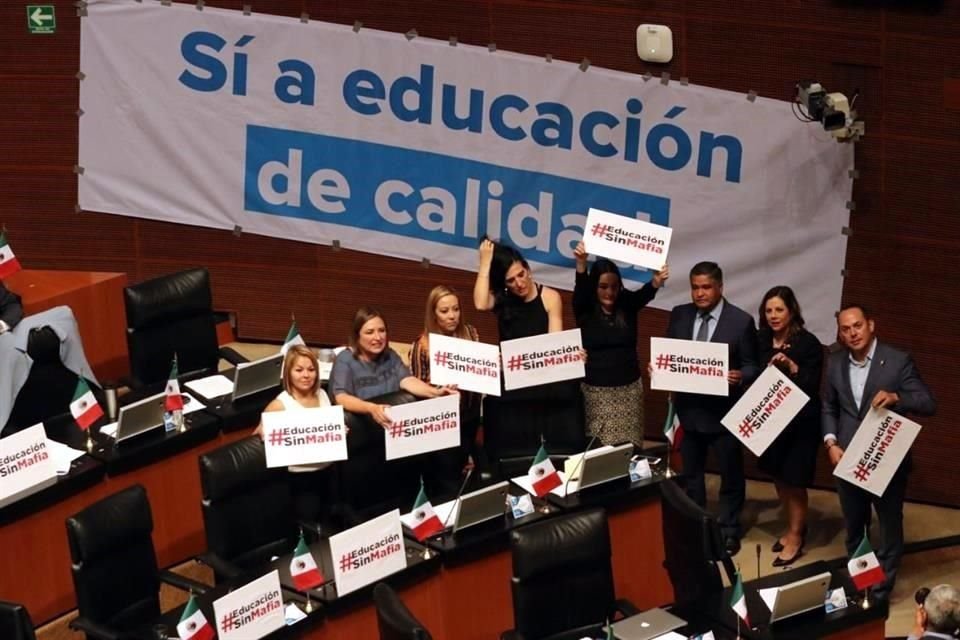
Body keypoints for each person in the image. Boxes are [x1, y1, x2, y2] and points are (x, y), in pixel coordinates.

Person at [823, 304, 937, 602]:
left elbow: (927, 402)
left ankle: (881, 589)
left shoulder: (898, 361)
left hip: (885, 459)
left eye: (857, 326)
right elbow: (829, 406)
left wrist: (897, 396)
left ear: (871, 325)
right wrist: (831, 442)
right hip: (847, 458)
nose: (852, 333)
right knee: (854, 527)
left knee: (888, 526)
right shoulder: (834, 362)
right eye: (845, 329)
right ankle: (862, 581)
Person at [665, 261, 759, 555]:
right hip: (689, 411)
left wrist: (740, 376)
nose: (700, 294)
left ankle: (729, 530)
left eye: (706, 287)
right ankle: (697, 526)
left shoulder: (740, 321)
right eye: (695, 287)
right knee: (691, 475)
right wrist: (661, 366)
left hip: (724, 414)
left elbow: (753, 365)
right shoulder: (680, 315)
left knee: (730, 476)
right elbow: (670, 355)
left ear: (720, 287)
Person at [573, 241, 668, 446]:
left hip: (629, 391)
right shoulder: (585, 308)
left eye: (614, 287)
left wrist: (657, 280)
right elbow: (581, 288)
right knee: (598, 450)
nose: (610, 292)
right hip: (596, 393)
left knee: (628, 449)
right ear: (594, 287)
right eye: (603, 287)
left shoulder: (626, 304)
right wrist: (581, 264)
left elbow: (645, 294)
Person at [755, 286, 823, 567]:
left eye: (779, 310)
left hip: (800, 426)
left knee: (794, 480)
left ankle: (796, 535)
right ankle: (792, 525)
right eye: (768, 310)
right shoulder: (759, 339)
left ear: (792, 311)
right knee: (778, 477)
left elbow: (812, 383)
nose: (773, 316)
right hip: (771, 424)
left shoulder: (808, 343)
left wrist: (793, 368)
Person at [329, 307, 456, 426]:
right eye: (369, 332)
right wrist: (372, 408)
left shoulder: (390, 355)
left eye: (382, 331)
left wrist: (436, 392)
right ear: (357, 336)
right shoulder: (345, 359)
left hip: (392, 428)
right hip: (363, 429)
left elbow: (407, 380)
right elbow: (341, 398)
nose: (378, 337)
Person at [253, 345, 333, 524]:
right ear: (288, 373)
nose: (306, 375)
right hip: (300, 481)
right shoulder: (279, 404)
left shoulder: (322, 394)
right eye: (299, 370)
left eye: (311, 369)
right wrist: (267, 432)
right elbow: (258, 434)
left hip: (329, 472)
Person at [410, 285, 481, 468]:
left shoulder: (470, 333)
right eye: (444, 311)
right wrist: (438, 390)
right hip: (443, 421)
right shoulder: (422, 344)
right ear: (433, 313)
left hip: (470, 414)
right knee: (446, 472)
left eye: (456, 309)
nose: (452, 316)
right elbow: (417, 388)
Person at [473, 237, 562, 340]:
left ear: (528, 270)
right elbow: (480, 304)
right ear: (505, 284)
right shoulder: (503, 296)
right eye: (511, 280)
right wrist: (485, 264)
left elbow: (556, 343)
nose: (519, 284)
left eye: (521, 274)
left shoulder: (550, 298)